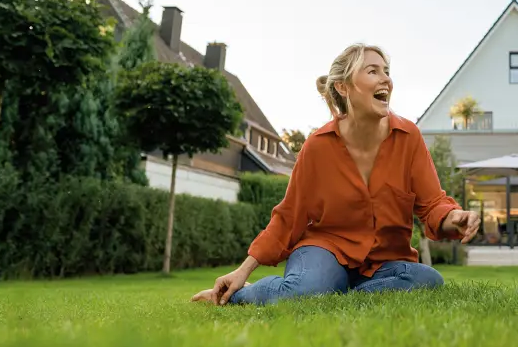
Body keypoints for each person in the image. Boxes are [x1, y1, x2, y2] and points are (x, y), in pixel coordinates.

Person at [191, 44, 481, 306]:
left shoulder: (408, 137)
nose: (386, 80)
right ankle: (253, 294)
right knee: (307, 290)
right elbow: (289, 217)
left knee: (428, 281)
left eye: (387, 72)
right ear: (344, 87)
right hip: (325, 250)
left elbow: (432, 205)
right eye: (373, 71)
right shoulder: (318, 146)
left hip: (384, 262)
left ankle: (330, 293)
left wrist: (453, 218)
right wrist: (242, 272)